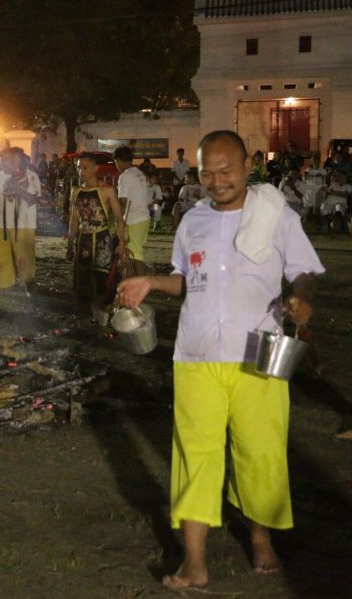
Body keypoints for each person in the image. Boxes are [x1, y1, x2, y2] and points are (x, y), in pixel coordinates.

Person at [117, 130, 323, 589]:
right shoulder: (193, 220)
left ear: (248, 165)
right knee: (195, 455)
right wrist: (151, 282)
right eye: (207, 172)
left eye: (225, 170)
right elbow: (186, 281)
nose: (216, 180)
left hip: (259, 354)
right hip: (196, 355)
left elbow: (305, 270)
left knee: (259, 451)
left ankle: (261, 537)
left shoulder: (275, 214)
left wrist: (301, 299)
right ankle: (195, 560)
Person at [66, 152, 127, 322]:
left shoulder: (106, 190)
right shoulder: (76, 191)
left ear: (96, 168)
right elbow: (73, 220)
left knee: (103, 280)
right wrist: (70, 245)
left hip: (102, 240)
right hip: (83, 241)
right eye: (79, 168)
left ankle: (103, 315)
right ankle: (85, 317)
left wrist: (121, 242)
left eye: (85, 167)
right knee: (82, 280)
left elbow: (118, 219)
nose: (81, 171)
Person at [0, 147, 41, 290]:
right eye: (1, 160)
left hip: (23, 223)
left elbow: (34, 199)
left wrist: (19, 191)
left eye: (8, 159)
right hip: (0, 223)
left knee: (24, 257)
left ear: (16, 159)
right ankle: (3, 282)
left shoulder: (31, 176)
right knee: (0, 256)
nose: (5, 163)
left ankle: (27, 282)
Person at [114, 146, 151, 275]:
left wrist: (119, 221)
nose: (116, 166)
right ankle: (131, 283)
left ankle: (140, 286)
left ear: (119, 160)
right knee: (130, 255)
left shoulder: (125, 176)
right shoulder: (140, 173)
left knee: (136, 257)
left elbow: (122, 202)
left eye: (116, 162)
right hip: (144, 217)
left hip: (133, 219)